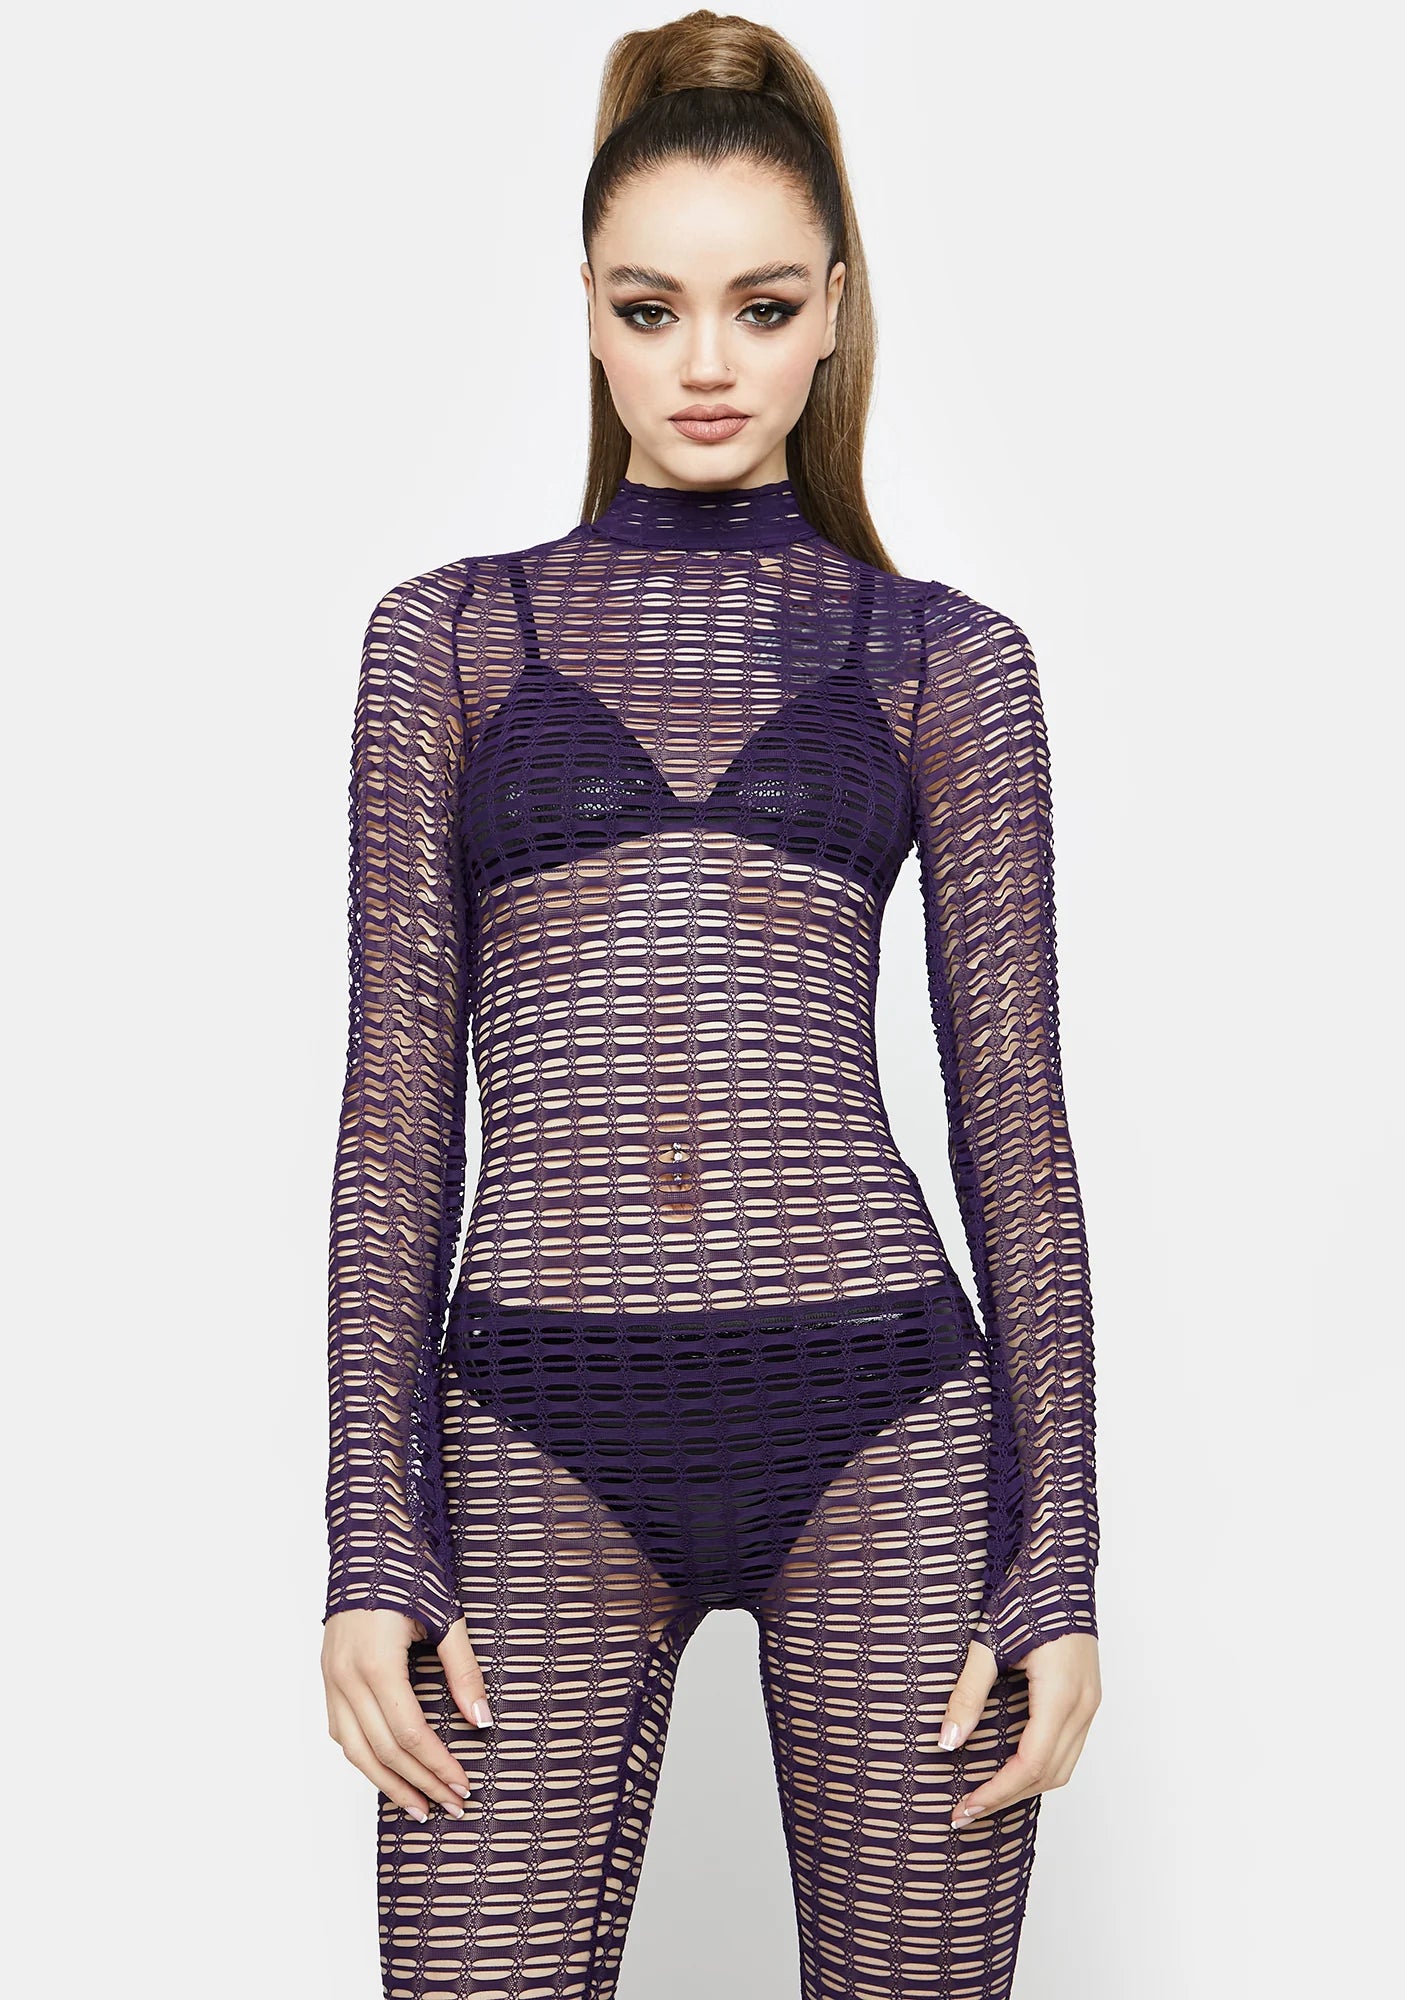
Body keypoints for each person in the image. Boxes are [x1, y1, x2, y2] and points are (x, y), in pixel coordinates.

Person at [319, 11, 1102, 1996]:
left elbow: (1014, 1126)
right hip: (528, 1421)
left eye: (759, 307)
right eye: (648, 307)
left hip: (886, 1421)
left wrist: (1059, 1553)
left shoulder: (942, 659)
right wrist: (368, 1535)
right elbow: (396, 1110)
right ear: (586, 308)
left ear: (832, 307)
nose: (704, 363)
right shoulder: (446, 641)